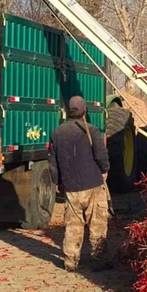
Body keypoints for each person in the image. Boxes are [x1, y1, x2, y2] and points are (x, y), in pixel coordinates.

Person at [48, 96, 112, 272]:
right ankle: (99, 260)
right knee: (97, 224)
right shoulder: (91, 130)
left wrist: (58, 182)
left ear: (68, 111)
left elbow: (52, 163)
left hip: (70, 186)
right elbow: (101, 155)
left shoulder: (57, 133)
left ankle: (70, 262)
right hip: (92, 184)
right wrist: (105, 169)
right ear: (85, 111)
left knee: (73, 226)